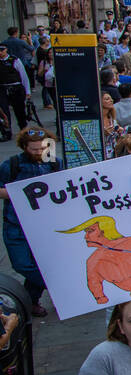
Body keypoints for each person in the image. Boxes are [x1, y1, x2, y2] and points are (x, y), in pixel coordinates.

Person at [0, 128, 58, 315]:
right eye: (34, 149)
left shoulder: (54, 163)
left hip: (44, 223)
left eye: (42, 148)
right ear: (24, 147)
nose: (39, 152)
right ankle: (59, 288)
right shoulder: (12, 165)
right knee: (21, 264)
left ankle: (31, 300)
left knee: (39, 262)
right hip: (16, 223)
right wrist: (19, 194)